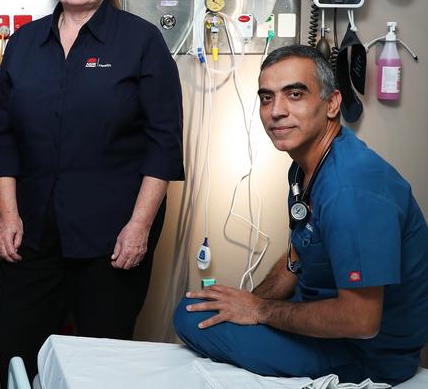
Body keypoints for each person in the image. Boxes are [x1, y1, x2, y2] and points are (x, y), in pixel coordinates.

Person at [0, 0, 184, 385]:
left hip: (112, 239)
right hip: (31, 234)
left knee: (101, 362)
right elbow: (1, 138)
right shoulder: (23, 44)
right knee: (14, 346)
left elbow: (164, 144)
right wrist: (9, 216)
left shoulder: (141, 42)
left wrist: (139, 227)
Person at [173, 45, 428, 385]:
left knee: (189, 319)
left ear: (332, 104)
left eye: (294, 94)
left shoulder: (349, 189)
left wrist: (260, 311)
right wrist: (249, 302)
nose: (276, 111)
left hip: (368, 353)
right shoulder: (305, 167)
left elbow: (361, 321)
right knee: (204, 309)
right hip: (325, 316)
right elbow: (299, 253)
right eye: (266, 97)